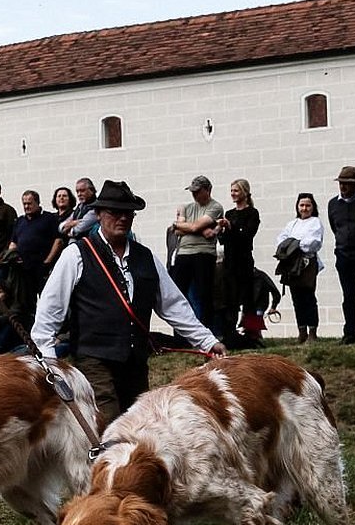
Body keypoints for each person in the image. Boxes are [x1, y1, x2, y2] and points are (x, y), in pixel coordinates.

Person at [32, 179, 222, 420]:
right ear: (99, 214)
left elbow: (174, 306)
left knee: (137, 425)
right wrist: (51, 366)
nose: (122, 218)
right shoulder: (76, 254)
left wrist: (207, 341)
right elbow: (50, 311)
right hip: (94, 360)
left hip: (135, 362)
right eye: (114, 212)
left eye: (128, 213)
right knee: (109, 425)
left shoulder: (145, 257)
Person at [170, 176, 224, 332]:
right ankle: (180, 333)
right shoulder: (187, 207)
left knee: (204, 293)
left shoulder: (215, 207)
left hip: (204, 252)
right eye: (193, 191)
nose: (194, 195)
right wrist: (183, 226)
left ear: (208, 190)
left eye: (198, 191)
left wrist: (185, 226)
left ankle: (206, 331)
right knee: (179, 294)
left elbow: (192, 227)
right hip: (184, 252)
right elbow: (178, 230)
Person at [325, 166, 355, 344]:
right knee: (348, 295)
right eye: (342, 184)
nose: (344, 187)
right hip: (344, 254)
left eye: (348, 184)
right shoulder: (333, 204)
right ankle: (349, 332)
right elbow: (334, 226)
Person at [275, 193, 326, 342]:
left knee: (308, 297)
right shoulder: (292, 224)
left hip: (307, 263)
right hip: (292, 264)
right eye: (302, 205)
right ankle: (301, 330)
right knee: (296, 298)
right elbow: (282, 240)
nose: (304, 208)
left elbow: (313, 242)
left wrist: (294, 245)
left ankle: (312, 331)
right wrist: (293, 245)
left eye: (308, 205)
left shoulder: (315, 222)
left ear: (313, 207)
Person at [216, 178, 260, 345]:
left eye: (236, 190)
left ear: (244, 193)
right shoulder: (230, 213)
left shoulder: (252, 213)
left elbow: (247, 235)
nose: (233, 194)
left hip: (244, 261)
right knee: (230, 300)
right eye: (232, 191)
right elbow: (224, 240)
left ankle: (253, 334)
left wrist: (231, 227)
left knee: (249, 299)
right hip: (230, 262)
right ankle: (230, 333)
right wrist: (222, 229)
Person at [8, 189, 60, 321]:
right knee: (27, 302)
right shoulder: (20, 221)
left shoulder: (49, 218)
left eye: (29, 203)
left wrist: (47, 261)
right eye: (24, 204)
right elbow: (13, 242)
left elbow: (58, 241)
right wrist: (11, 256)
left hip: (42, 267)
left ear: (37, 202)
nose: (26, 207)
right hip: (23, 269)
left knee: (47, 298)